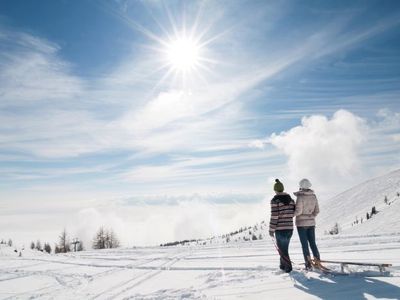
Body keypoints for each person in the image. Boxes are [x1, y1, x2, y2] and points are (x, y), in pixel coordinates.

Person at [269, 179, 296, 273]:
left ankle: (288, 267)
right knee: (284, 248)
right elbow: (293, 212)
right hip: (289, 228)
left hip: (280, 229)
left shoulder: (275, 200)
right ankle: (282, 266)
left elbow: (274, 216)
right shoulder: (291, 200)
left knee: (283, 250)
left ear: (275, 190)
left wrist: (271, 229)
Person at [294, 178, 320, 270]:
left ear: (301, 186)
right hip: (311, 223)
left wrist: (292, 214)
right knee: (313, 243)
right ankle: (317, 262)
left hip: (301, 224)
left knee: (305, 245)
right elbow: (317, 210)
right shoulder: (314, 196)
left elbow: (298, 211)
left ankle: (308, 264)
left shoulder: (300, 197)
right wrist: (311, 216)